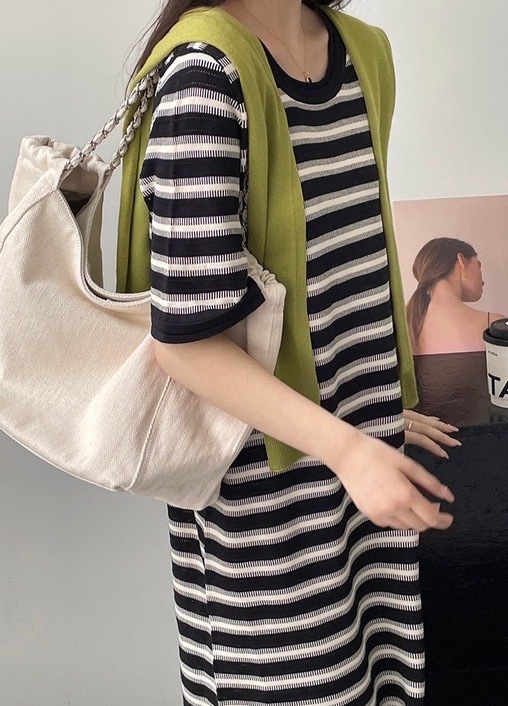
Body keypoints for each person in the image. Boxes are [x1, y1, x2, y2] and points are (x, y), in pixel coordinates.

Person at [125, 1, 462, 703]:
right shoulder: (204, 79)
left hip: (360, 492)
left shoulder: (363, 53)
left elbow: (337, 276)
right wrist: (348, 447)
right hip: (266, 530)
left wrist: (374, 412)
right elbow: (186, 345)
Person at [406, 237, 507, 354]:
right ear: (461, 261)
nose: (482, 279)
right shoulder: (495, 327)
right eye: (478, 265)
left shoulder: (409, 327)